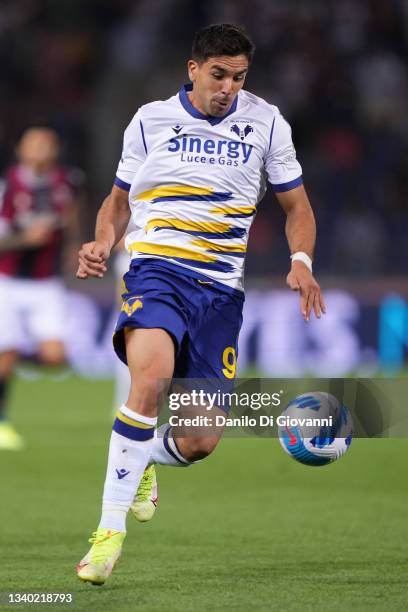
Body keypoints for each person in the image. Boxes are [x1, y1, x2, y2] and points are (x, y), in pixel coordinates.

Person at [76, 23, 325, 585]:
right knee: (150, 379)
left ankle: (141, 458)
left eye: (238, 77)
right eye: (218, 75)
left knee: (200, 440)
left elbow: (298, 208)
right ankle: (108, 533)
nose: (228, 88)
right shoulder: (150, 119)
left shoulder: (266, 122)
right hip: (157, 270)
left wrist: (302, 262)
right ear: (193, 69)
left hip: (220, 292)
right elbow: (117, 203)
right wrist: (102, 241)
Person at [0, 127, 80, 450]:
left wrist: (74, 247)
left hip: (47, 284)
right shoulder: (8, 186)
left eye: (47, 143)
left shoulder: (68, 183)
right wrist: (24, 240)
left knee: (56, 356)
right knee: (6, 354)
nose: (41, 149)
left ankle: (13, 353)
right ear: (21, 149)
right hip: (8, 281)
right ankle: (2, 423)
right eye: (34, 143)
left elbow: (73, 219)